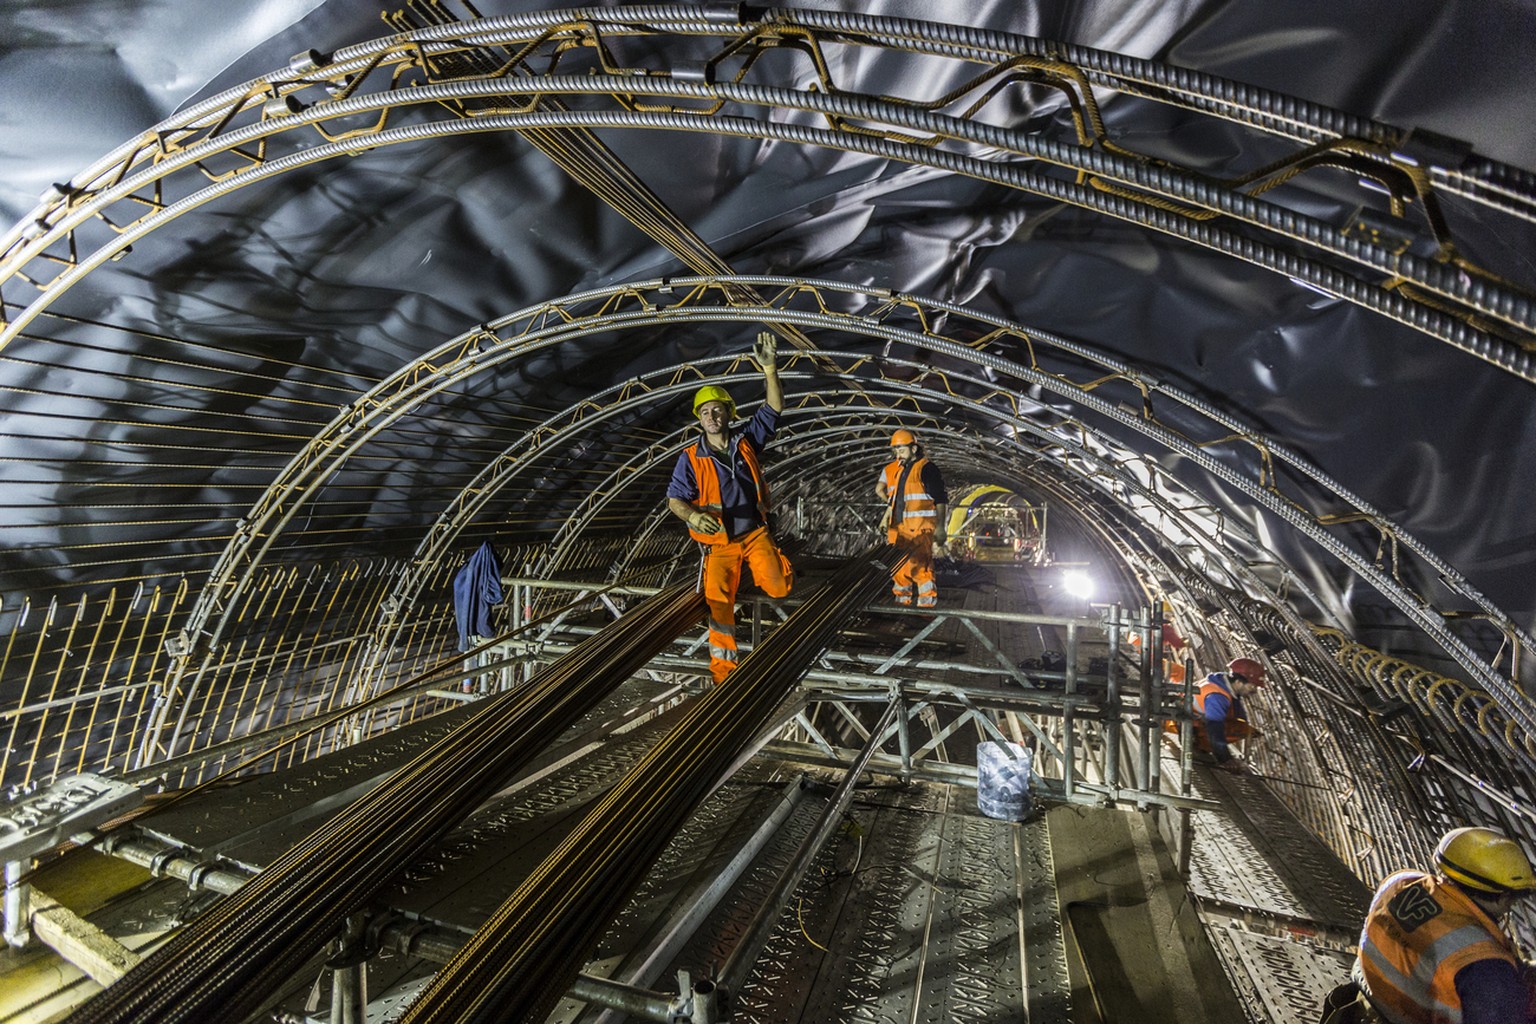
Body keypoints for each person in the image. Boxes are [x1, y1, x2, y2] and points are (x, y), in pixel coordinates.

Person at [666, 331, 793, 684]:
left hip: (754, 534)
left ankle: (776, 562)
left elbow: (774, 408)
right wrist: (692, 515)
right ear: (699, 418)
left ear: (728, 413)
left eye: (716, 409)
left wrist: (769, 369)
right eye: (704, 411)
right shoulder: (690, 458)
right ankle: (724, 673)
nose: (711, 415)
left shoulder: (746, 442)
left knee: (779, 588)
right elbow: (674, 499)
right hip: (719, 544)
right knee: (719, 605)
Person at [1321, 826, 1536, 1024]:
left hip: (1356, 1010)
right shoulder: (1482, 963)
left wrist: (1520, 970)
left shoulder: (1400, 882)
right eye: (1512, 899)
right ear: (1503, 897)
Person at [876, 428, 948, 607]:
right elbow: (895, 499)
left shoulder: (927, 469)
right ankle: (902, 605)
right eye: (896, 451)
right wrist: (887, 517)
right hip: (900, 529)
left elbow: (941, 499)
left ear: (914, 448)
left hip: (919, 529)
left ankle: (926, 607)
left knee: (921, 569)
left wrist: (940, 527)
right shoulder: (901, 470)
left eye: (901, 450)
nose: (897, 455)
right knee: (899, 569)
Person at [1194, 656, 1265, 774]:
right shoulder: (1218, 697)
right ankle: (1200, 745)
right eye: (1251, 686)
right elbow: (1214, 729)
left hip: (1197, 720)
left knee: (1244, 729)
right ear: (1238, 682)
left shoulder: (1221, 681)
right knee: (1240, 730)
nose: (1253, 691)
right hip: (1192, 727)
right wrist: (1226, 759)